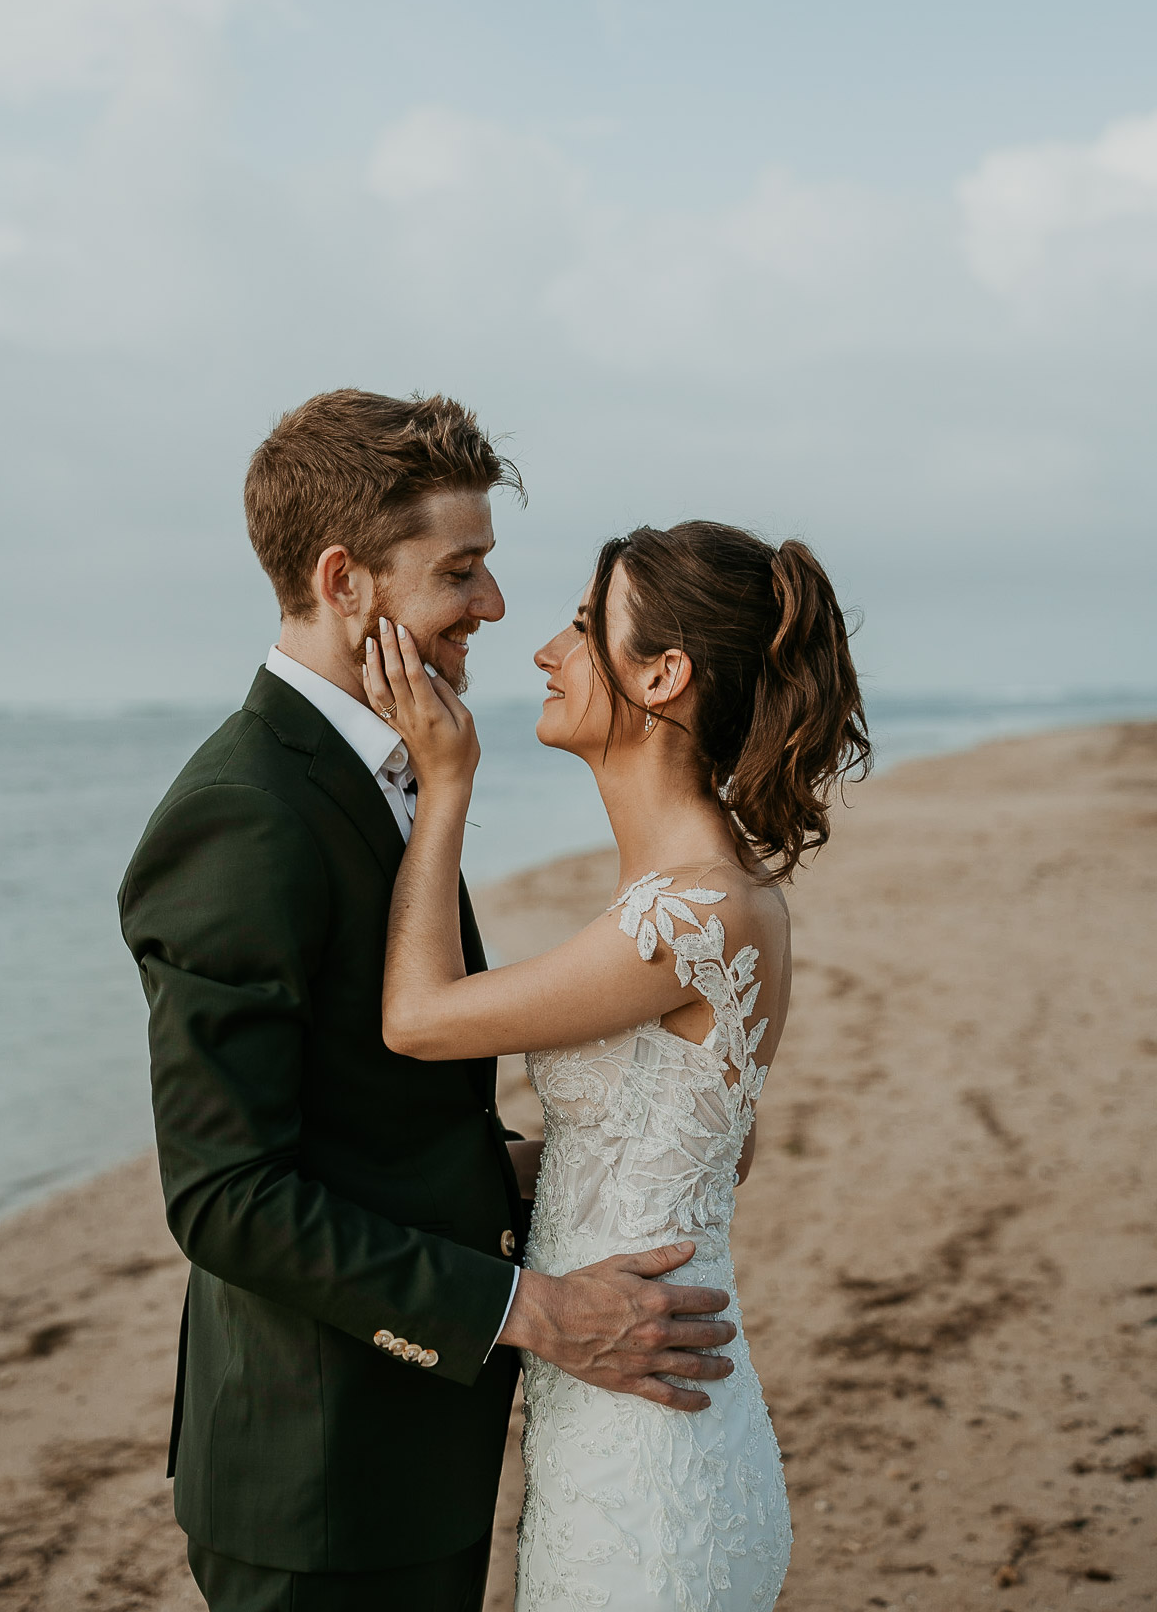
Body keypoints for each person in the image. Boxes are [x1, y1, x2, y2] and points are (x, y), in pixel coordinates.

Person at [118, 391, 737, 1612]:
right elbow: (227, 1196)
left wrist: (572, 1160)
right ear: (346, 580)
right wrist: (535, 1312)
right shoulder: (244, 812)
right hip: (319, 1474)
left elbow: (375, 1109)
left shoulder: (393, 764)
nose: (495, 609)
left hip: (415, 1452)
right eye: (462, 572)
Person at [365, 518, 870, 1612]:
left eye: (587, 626)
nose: (546, 648)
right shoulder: (711, 897)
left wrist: (443, 785)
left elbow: (415, 1016)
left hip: (650, 1465)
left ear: (664, 674)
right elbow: (705, 1156)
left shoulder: (693, 912)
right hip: (623, 1411)